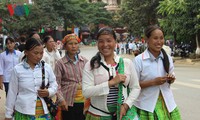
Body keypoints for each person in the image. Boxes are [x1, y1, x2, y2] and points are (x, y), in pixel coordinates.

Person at [82, 27, 141, 120]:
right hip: (98, 115)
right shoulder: (91, 65)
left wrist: (126, 105)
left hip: (122, 115)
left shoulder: (126, 63)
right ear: (97, 43)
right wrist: (111, 83)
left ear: (115, 42)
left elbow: (136, 87)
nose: (105, 44)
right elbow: (86, 92)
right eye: (101, 41)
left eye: (109, 40)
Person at [133, 25, 181, 120]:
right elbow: (133, 85)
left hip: (168, 105)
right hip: (146, 106)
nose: (159, 42)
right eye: (155, 38)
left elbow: (172, 76)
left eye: (161, 38)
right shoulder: (139, 61)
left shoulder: (167, 58)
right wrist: (153, 82)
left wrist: (171, 79)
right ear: (147, 39)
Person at [5, 37, 58, 120]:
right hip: (23, 111)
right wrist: (8, 115)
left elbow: (54, 84)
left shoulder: (47, 68)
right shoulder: (17, 70)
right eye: (35, 53)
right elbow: (12, 93)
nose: (39, 56)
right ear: (26, 52)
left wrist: (49, 92)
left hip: (44, 112)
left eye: (41, 53)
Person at [55, 34, 88, 120]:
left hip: (84, 102)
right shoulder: (60, 63)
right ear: (65, 46)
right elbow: (56, 84)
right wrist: (61, 100)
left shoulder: (84, 61)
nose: (73, 46)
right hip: (68, 102)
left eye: (76, 43)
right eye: (70, 44)